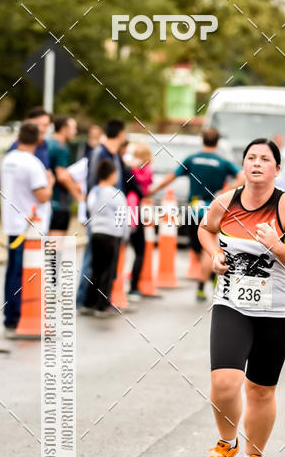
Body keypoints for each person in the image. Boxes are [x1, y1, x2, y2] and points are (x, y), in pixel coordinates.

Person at [197, 138, 285, 457]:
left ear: (277, 169)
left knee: (261, 391)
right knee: (224, 382)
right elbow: (205, 228)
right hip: (232, 304)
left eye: (265, 159)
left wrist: (275, 245)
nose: (257, 163)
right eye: (251, 157)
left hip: (277, 312)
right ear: (243, 165)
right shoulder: (227, 201)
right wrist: (214, 254)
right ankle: (226, 443)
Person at [150, 127, 243, 301]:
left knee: (198, 246)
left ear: (203, 141)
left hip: (194, 208)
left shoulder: (192, 159)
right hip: (213, 207)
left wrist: (153, 190)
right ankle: (206, 279)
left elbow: (172, 176)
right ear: (217, 142)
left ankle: (203, 282)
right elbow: (242, 177)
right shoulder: (222, 162)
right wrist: (227, 189)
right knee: (211, 246)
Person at [0, 122, 53, 334]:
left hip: (11, 222)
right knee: (25, 272)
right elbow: (42, 195)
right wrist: (50, 182)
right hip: (30, 226)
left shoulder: (8, 159)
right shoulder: (33, 164)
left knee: (12, 270)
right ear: (39, 140)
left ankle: (9, 315)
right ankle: (19, 315)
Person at [76, 120, 126, 308]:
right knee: (95, 263)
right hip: (101, 220)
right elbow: (91, 185)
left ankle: (100, 299)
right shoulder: (100, 153)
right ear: (120, 133)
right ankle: (86, 300)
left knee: (103, 265)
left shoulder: (113, 155)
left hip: (110, 220)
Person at [82, 160, 128, 318]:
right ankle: (102, 305)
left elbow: (89, 209)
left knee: (96, 268)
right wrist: (125, 235)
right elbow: (123, 216)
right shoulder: (116, 193)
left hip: (96, 233)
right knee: (108, 271)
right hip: (112, 234)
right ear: (112, 174)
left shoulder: (93, 192)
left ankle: (89, 302)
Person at [47, 115, 84, 237]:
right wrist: (79, 196)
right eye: (73, 128)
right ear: (64, 129)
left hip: (47, 201)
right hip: (59, 202)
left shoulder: (46, 144)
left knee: (47, 245)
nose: (76, 131)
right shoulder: (61, 148)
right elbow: (62, 176)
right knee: (55, 247)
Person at [124, 142, 153, 301]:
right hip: (135, 211)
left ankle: (129, 284)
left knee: (129, 251)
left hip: (132, 210)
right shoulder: (143, 170)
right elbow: (145, 186)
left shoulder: (132, 169)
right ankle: (134, 286)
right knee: (139, 251)